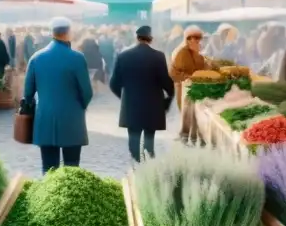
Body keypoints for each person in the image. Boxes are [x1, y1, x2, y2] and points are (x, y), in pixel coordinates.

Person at [22, 17, 93, 173]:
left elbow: (27, 94)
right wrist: (80, 107)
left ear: (52, 33)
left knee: (48, 169)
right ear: (68, 33)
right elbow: (87, 92)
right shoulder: (77, 58)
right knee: (72, 169)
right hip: (72, 120)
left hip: (45, 119)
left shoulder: (36, 58)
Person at [109, 25, 175, 162]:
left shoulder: (123, 56)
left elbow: (114, 83)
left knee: (133, 137)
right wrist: (169, 95)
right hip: (152, 105)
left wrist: (124, 97)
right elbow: (165, 81)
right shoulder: (158, 56)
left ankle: (136, 163)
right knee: (149, 139)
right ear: (150, 38)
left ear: (137, 37)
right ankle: (148, 165)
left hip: (131, 105)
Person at [170, 25, 209, 142]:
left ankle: (195, 135)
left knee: (197, 110)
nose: (195, 40)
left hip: (197, 86)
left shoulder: (199, 54)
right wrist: (188, 77)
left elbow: (203, 67)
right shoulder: (181, 53)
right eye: (192, 38)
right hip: (184, 87)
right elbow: (173, 72)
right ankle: (185, 134)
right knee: (186, 110)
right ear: (187, 39)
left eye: (198, 38)